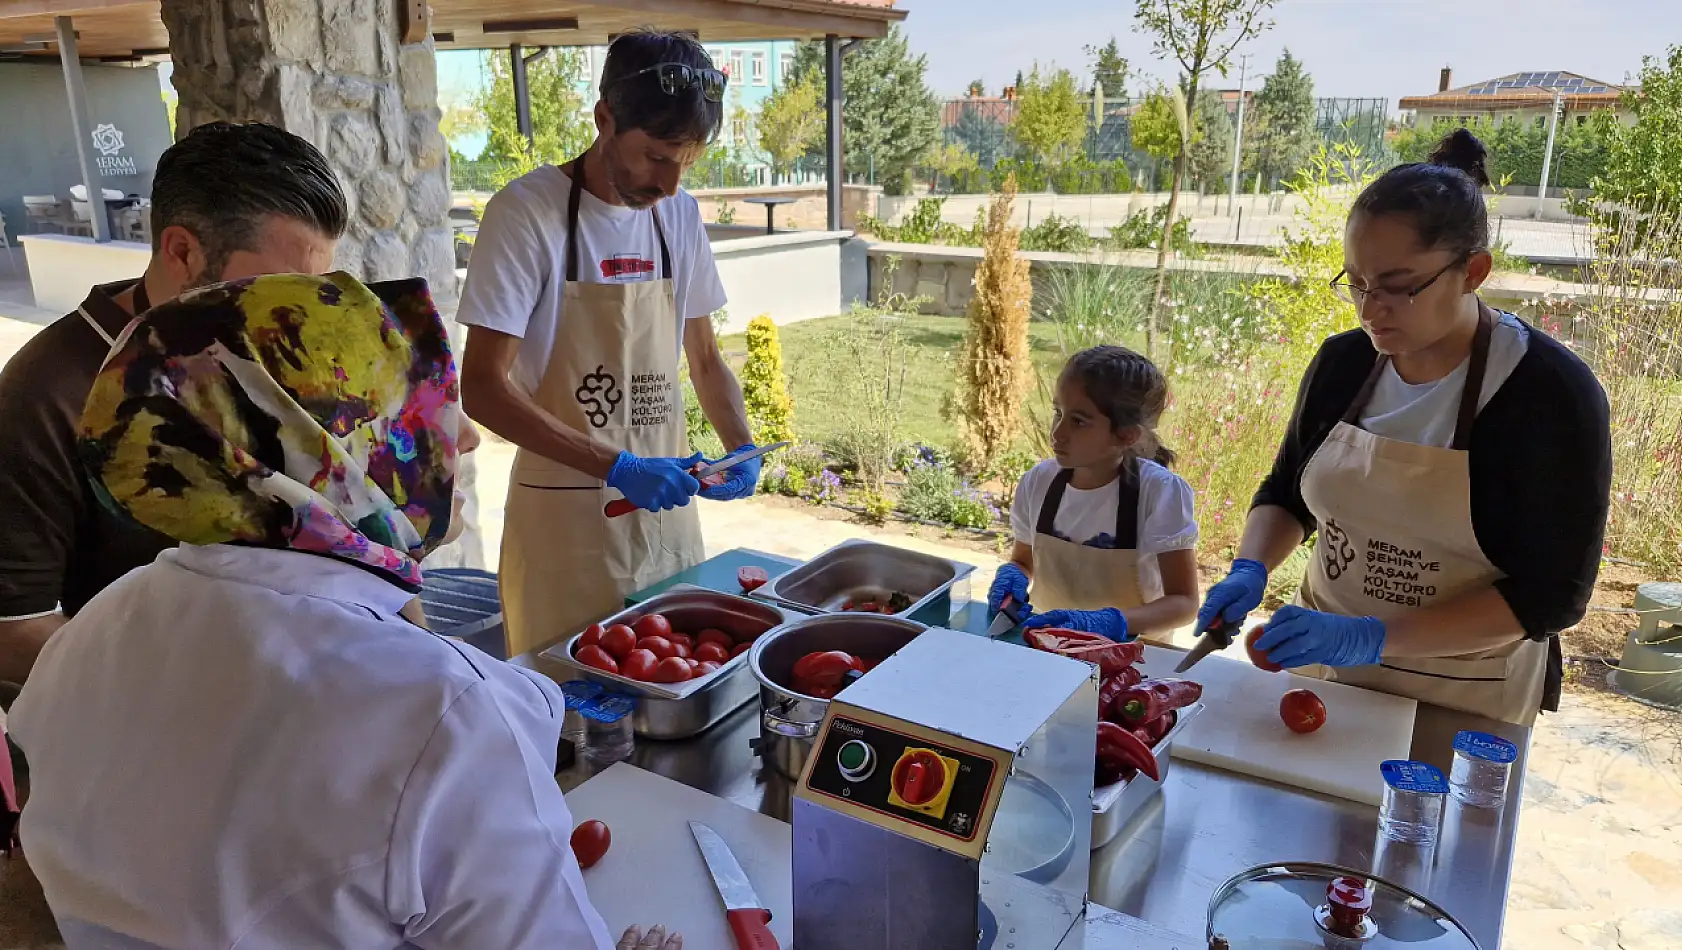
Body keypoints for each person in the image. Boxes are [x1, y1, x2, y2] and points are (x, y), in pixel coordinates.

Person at [8, 273, 678, 950]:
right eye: (415, 410)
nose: (466, 439)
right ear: (326, 450)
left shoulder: (90, 632)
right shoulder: (447, 718)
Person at [1196, 129, 1611, 726]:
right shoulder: (1343, 365)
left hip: (1463, 691)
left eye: (1398, 286)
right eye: (1357, 284)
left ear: (1473, 271)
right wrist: (1250, 567)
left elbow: (1552, 595)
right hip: (1322, 678)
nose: (1370, 310)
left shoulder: (1547, 395)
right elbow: (1288, 491)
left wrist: (1369, 636)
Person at [0, 121, 347, 688]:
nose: (293, 316)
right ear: (182, 250)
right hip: (150, 737)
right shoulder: (45, 394)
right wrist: (193, 694)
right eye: (270, 288)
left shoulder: (275, 349)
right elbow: (14, 630)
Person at [458, 30, 759, 657]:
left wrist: (742, 446)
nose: (672, 183)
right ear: (604, 119)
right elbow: (483, 389)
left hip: (666, 513)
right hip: (564, 521)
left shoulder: (679, 216)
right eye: (656, 156)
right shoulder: (525, 214)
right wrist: (618, 466)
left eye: (689, 160)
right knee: (568, 711)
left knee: (674, 680)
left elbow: (704, 359)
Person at [988, 346, 1200, 644]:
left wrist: (1113, 622)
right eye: (1058, 413)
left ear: (1126, 435)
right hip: (1048, 647)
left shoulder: (1159, 493)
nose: (1057, 433)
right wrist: (1013, 575)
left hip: (1132, 660)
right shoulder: (1039, 482)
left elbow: (1184, 603)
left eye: (1078, 421)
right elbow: (1023, 560)